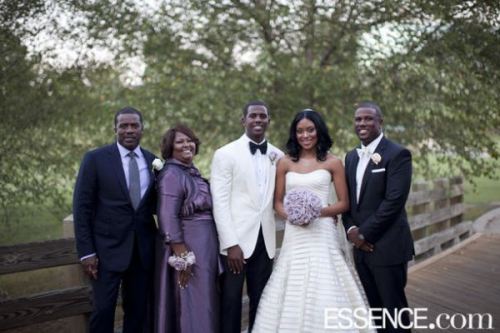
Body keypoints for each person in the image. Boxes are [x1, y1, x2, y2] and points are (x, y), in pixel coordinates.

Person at [253, 109, 374, 333]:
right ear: (294, 134)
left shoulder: (333, 162)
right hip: (295, 233)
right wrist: (294, 216)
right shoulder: (285, 163)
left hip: (322, 232)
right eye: (300, 131)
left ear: (319, 131)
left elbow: (344, 203)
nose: (305, 135)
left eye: (310, 130)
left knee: (324, 279)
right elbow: (277, 202)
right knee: (292, 280)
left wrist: (315, 212)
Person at [73, 106, 157, 333]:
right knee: (103, 311)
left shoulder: (153, 161)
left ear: (142, 129)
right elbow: (82, 208)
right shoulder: (95, 159)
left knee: (138, 312)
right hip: (105, 252)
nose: (129, 130)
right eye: (124, 126)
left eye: (134, 125)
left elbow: (161, 204)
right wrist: (86, 252)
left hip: (142, 252)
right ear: (115, 129)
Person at [210, 100, 284, 333]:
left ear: (268, 121)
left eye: (263, 116)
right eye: (253, 116)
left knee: (262, 302)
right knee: (231, 301)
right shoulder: (225, 154)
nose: (258, 120)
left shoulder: (279, 156)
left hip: (266, 241)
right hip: (236, 243)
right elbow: (219, 203)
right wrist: (231, 243)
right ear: (243, 120)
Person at [342, 101, 414, 332]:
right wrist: (352, 230)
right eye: (358, 119)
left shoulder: (398, 154)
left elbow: (394, 202)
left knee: (394, 311)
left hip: (387, 247)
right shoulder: (351, 157)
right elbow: (349, 201)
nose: (362, 123)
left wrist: (365, 233)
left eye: (368, 119)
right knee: (375, 312)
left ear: (380, 122)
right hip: (361, 249)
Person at [154, 125, 222, 333]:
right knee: (192, 302)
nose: (187, 145)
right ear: (170, 148)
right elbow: (167, 215)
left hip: (205, 248)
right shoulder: (172, 174)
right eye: (180, 141)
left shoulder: (191, 172)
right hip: (188, 248)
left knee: (204, 301)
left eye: (190, 140)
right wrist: (183, 256)